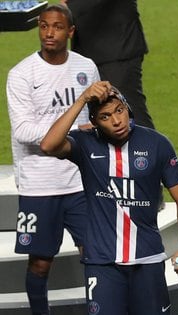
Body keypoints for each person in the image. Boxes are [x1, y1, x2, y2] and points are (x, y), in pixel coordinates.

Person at [40, 81, 178, 314]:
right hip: (102, 263)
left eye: (119, 111)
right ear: (94, 122)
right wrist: (81, 100)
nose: (116, 121)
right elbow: (48, 145)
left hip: (148, 259)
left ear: (127, 109)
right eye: (105, 116)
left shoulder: (157, 144)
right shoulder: (85, 143)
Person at [6, 4, 100, 315]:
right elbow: (23, 130)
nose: (49, 33)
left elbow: (96, 117)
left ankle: (101, 308)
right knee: (40, 261)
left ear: (70, 32)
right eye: (44, 26)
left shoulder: (86, 67)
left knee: (96, 252)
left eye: (57, 27)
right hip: (39, 184)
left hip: (79, 180)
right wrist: (73, 129)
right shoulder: (21, 75)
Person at [59, 0, 154, 129]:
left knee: (130, 116)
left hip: (116, 51)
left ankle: (151, 149)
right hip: (88, 51)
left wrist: (65, 9)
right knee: (97, 119)